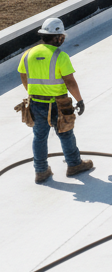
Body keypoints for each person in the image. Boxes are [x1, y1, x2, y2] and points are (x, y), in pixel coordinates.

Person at [17, 17, 93, 184]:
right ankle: (74, 165)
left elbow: (23, 76)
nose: (63, 39)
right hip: (58, 103)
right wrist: (79, 100)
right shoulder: (60, 56)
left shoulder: (28, 54)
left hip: (36, 103)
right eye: (62, 36)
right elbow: (70, 81)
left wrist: (33, 93)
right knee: (65, 134)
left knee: (39, 137)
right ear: (57, 37)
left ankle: (41, 171)